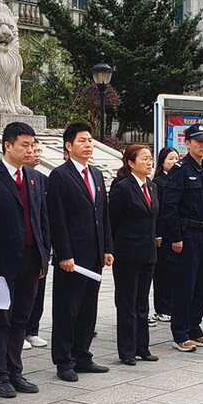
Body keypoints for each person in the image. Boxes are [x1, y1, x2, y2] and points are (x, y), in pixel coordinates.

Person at [0, 123, 50, 397]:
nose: (30, 149)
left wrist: (44, 257)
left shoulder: (35, 178)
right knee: (1, 320)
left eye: (32, 144)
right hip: (2, 265)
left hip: (31, 261)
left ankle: (15, 371)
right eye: (24, 145)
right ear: (8, 145)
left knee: (21, 319)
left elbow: (42, 221)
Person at [46, 122, 113, 381]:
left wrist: (107, 247)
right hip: (71, 257)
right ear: (68, 145)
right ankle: (64, 360)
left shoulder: (95, 174)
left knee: (88, 308)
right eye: (82, 140)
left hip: (94, 254)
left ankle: (82, 355)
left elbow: (102, 214)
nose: (88, 144)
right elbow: (57, 218)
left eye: (90, 140)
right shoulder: (60, 176)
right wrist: (64, 254)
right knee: (67, 309)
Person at [160, 125, 203, 351]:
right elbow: (169, 206)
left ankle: (195, 327)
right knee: (185, 286)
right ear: (188, 143)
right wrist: (175, 236)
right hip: (186, 235)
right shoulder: (180, 170)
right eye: (199, 141)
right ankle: (180, 332)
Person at [108, 144, 160, 366]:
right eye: (144, 159)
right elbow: (112, 221)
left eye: (150, 159)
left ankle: (142, 347)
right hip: (127, 254)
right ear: (130, 163)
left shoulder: (152, 186)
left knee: (142, 303)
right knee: (127, 302)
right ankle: (127, 350)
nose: (149, 163)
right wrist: (109, 249)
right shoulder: (123, 187)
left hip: (147, 253)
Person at [23, 137, 50, 350]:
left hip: (38, 246)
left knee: (37, 292)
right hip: (16, 250)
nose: (35, 153)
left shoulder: (41, 179)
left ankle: (32, 330)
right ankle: (20, 332)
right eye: (31, 148)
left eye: (37, 149)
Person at [151, 147, 179, 324]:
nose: (175, 162)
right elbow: (158, 211)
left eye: (177, 158)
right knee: (161, 272)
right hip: (163, 234)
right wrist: (158, 233)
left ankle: (171, 305)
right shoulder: (158, 182)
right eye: (170, 159)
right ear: (162, 162)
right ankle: (161, 308)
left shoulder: (178, 180)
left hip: (175, 233)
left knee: (173, 272)